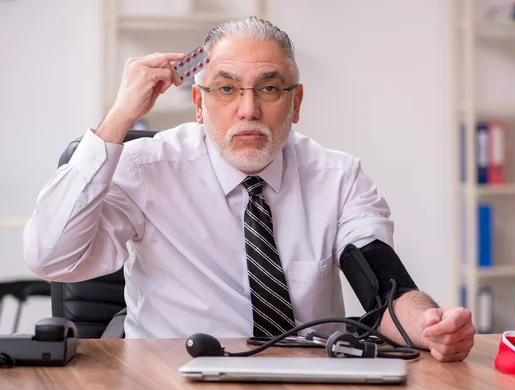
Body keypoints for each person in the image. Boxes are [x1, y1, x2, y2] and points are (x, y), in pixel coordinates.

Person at [23, 17, 475, 361]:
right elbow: (51, 256)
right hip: (172, 375)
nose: (248, 109)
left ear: (295, 103)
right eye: (225, 88)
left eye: (270, 88)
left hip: (303, 378)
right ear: (198, 104)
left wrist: (430, 325)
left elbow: (384, 287)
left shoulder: (338, 177)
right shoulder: (146, 167)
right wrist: (118, 119)